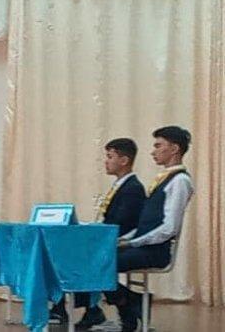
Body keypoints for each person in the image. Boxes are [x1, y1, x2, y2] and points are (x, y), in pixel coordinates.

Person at [104, 126, 194, 332]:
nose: (153, 152)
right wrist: (124, 240)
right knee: (95, 259)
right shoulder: (165, 178)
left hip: (155, 251)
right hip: (143, 246)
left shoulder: (180, 181)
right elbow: (144, 225)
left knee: (100, 263)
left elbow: (169, 228)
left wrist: (132, 243)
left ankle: (129, 304)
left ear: (174, 149)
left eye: (158, 146)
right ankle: (131, 304)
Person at [50, 138, 146, 329]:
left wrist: (95, 232)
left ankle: (122, 301)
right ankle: (92, 308)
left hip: (121, 241)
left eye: (110, 157)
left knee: (81, 259)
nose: (106, 161)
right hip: (110, 239)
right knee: (70, 254)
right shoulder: (122, 185)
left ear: (124, 160)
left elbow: (121, 223)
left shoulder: (133, 188)